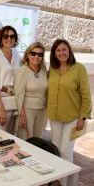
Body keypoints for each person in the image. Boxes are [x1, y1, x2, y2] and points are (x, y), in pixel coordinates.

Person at [47, 39, 91, 186]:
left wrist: (83, 117)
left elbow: (86, 95)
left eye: (64, 49)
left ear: (69, 51)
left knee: (66, 151)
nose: (61, 53)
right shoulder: (52, 69)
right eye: (58, 50)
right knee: (56, 149)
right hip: (54, 116)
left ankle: (66, 183)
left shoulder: (79, 69)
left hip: (72, 117)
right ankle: (60, 181)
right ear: (54, 53)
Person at [0, 26, 20, 134]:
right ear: (0, 38)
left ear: (15, 39)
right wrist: (1, 109)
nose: (9, 39)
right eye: (5, 36)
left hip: (13, 100)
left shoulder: (16, 54)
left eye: (12, 36)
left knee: (10, 137)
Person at [14, 42, 47, 140]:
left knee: (38, 141)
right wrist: (22, 115)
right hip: (27, 111)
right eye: (33, 53)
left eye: (40, 54)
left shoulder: (44, 70)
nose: (36, 56)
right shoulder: (22, 70)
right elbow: (19, 94)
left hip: (42, 111)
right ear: (28, 54)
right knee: (26, 141)